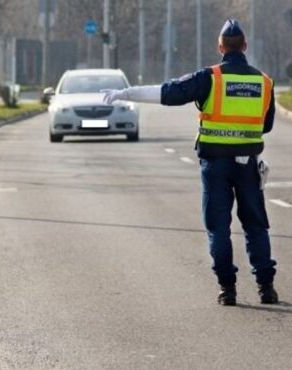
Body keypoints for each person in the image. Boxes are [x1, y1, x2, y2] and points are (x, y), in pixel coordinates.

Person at [101, 19, 278, 306]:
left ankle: (227, 289)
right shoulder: (265, 82)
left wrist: (126, 93)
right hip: (248, 166)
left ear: (220, 47)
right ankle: (266, 287)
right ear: (244, 47)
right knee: (256, 226)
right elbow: (266, 126)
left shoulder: (210, 77)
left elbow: (168, 92)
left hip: (215, 166)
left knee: (218, 227)